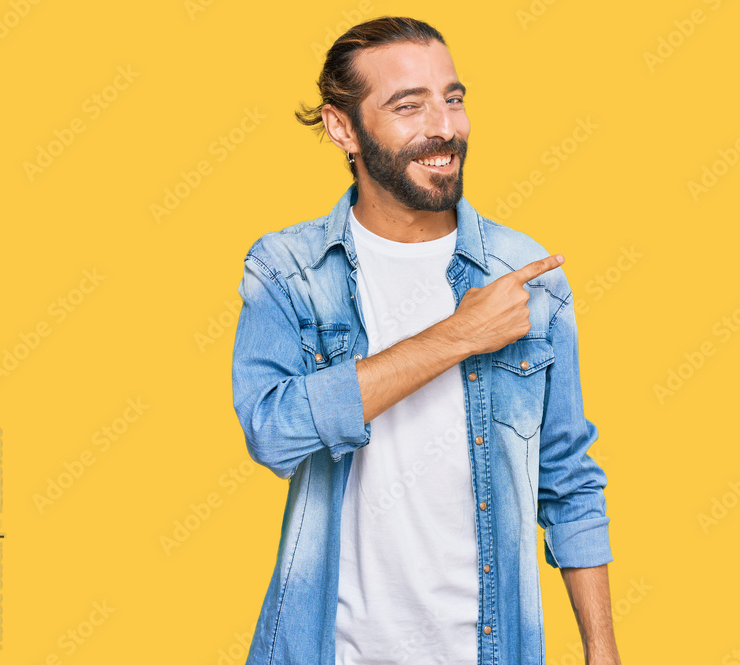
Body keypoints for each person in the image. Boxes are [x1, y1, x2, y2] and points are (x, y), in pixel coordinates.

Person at [231, 15, 619, 665]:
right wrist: (457, 336)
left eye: (453, 98)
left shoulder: (524, 275)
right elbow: (273, 431)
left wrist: (602, 653)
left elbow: (569, 479)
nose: (444, 127)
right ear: (341, 127)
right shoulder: (289, 269)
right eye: (409, 106)